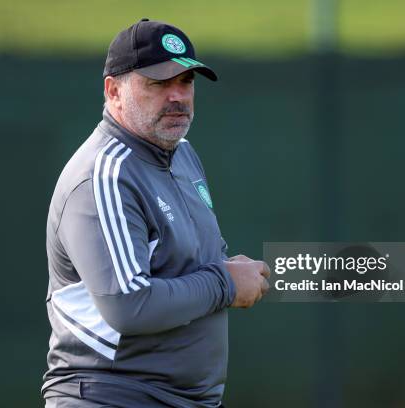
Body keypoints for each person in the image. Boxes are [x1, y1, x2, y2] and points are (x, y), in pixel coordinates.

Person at [42, 18, 270, 408]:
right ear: (113, 91)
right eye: (159, 83)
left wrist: (234, 272)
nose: (178, 96)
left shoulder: (182, 155)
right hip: (112, 398)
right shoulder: (105, 176)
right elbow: (129, 305)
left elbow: (189, 266)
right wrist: (226, 284)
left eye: (186, 82)